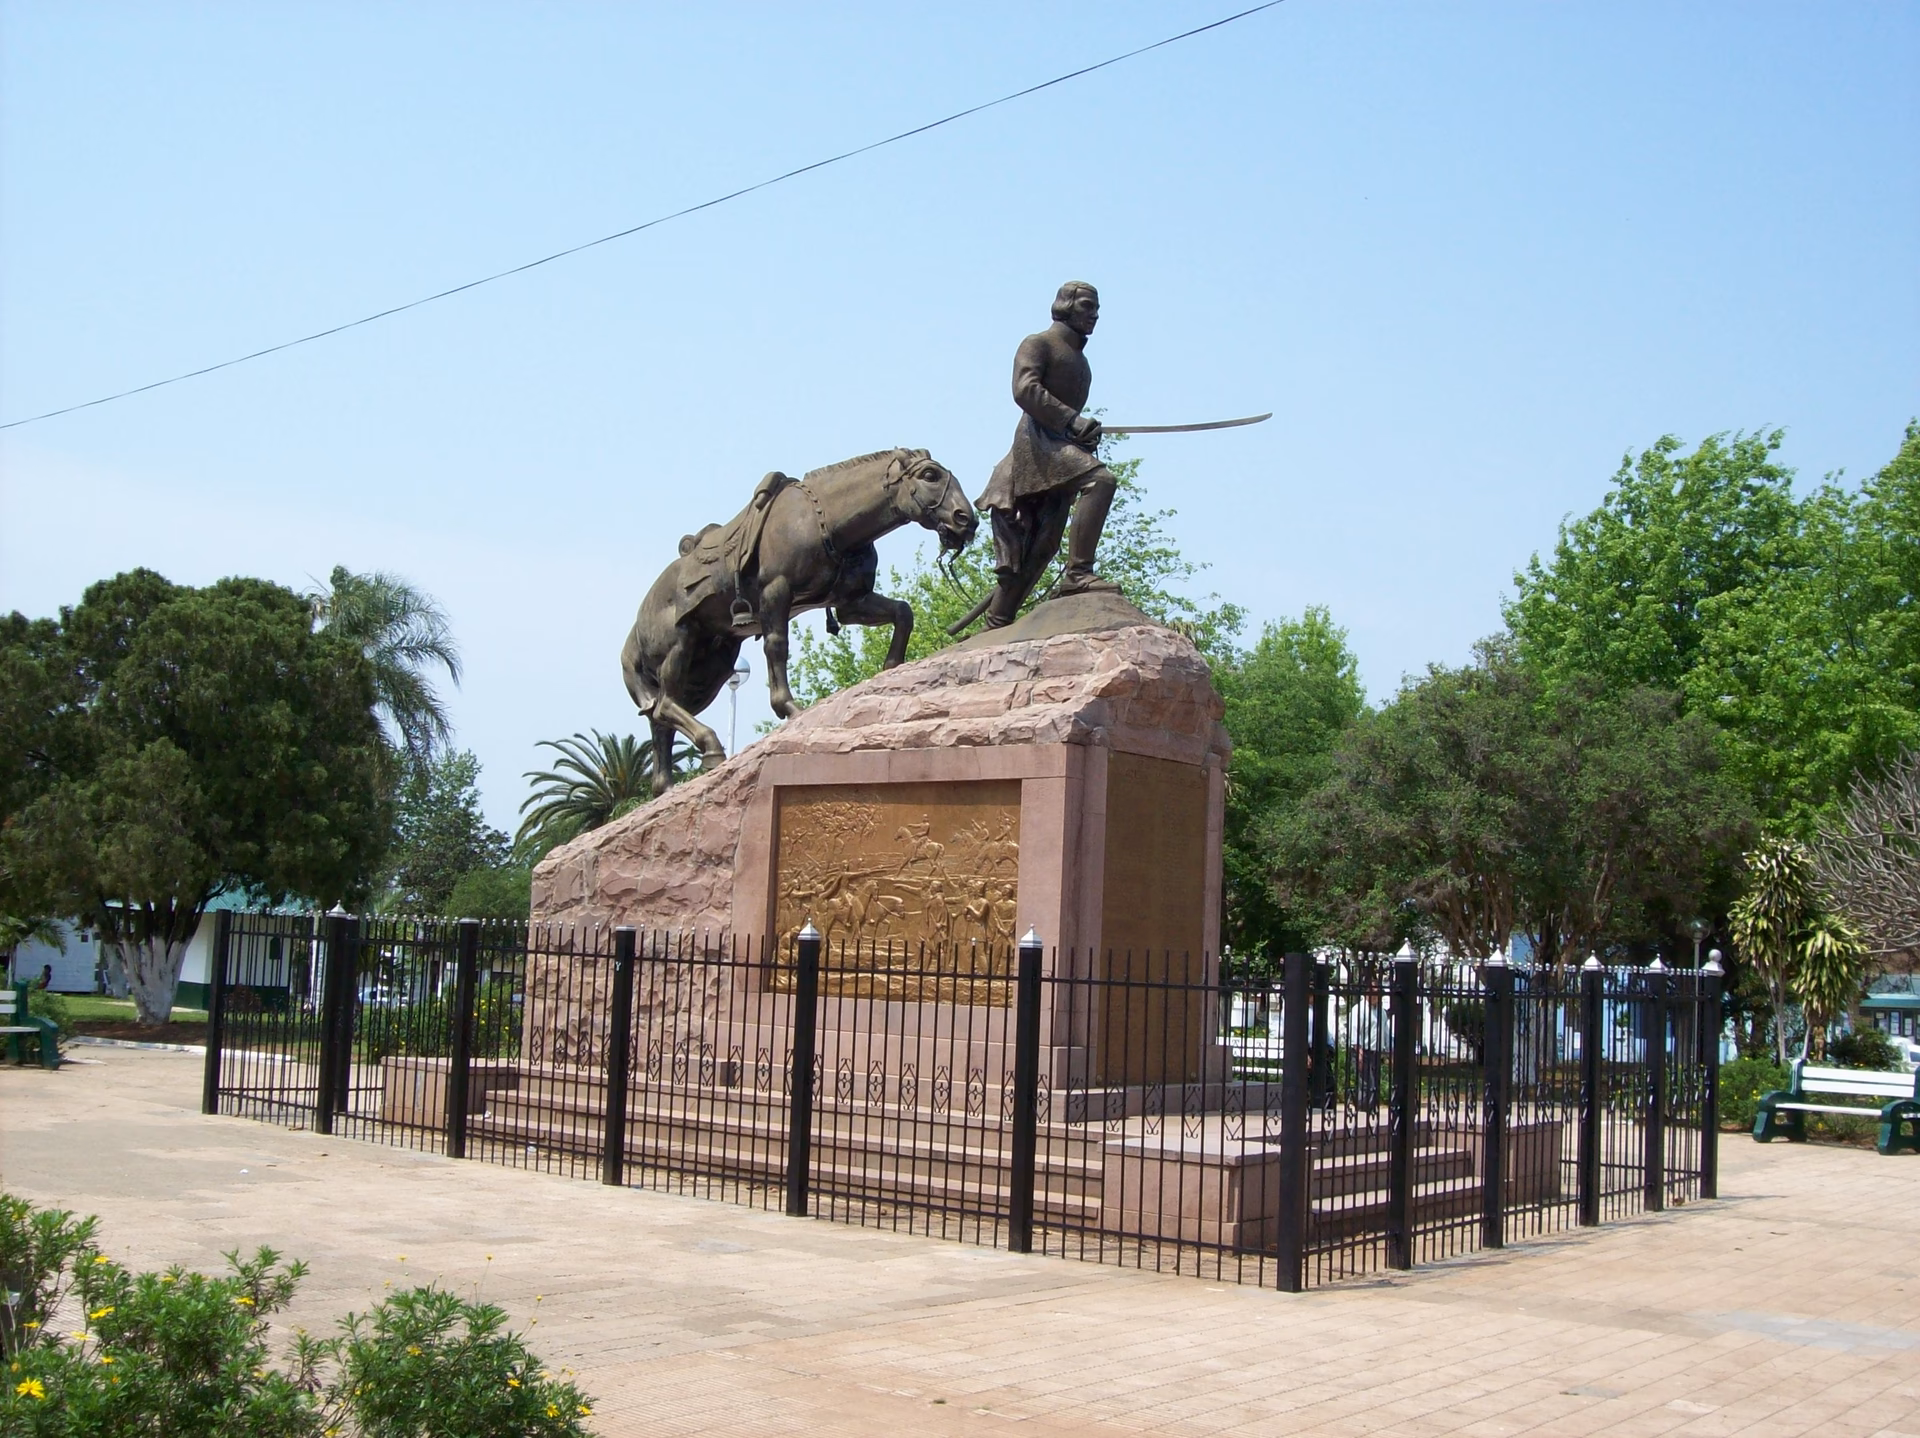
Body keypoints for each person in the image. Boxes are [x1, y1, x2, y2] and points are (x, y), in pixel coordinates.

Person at [974, 281, 1120, 628]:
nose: (1094, 314)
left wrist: (1082, 435)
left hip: (1058, 442)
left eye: (1097, 308)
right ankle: (1079, 573)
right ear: (1065, 305)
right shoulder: (1038, 343)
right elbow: (1025, 390)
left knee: (1044, 542)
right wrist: (1072, 421)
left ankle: (999, 618)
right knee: (1101, 481)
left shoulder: (1081, 361)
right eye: (1087, 306)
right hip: (1037, 443)